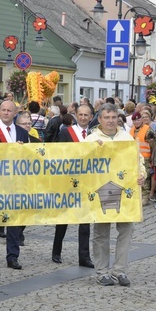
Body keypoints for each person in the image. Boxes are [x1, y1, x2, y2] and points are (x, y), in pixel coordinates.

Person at [85, 103, 146, 287]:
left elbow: (138, 159)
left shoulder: (126, 137)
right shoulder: (91, 139)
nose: (110, 121)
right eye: (106, 117)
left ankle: (120, 270)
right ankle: (102, 271)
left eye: (113, 117)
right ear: (100, 119)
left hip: (125, 192)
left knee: (126, 232)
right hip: (101, 192)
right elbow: (81, 164)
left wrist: (142, 174)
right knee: (101, 234)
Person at [0, 100, 30, 269]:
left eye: (9, 110)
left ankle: (12, 255)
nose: (5, 113)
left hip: (15, 182)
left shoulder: (22, 133)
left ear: (15, 112)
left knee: (14, 220)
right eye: (3, 110)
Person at [51, 104, 94, 267]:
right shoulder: (66, 132)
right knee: (63, 218)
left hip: (87, 182)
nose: (83, 117)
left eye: (86, 115)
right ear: (75, 115)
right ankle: (56, 251)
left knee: (85, 221)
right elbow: (60, 156)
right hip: (68, 181)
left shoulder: (94, 134)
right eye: (80, 114)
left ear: (91, 117)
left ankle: (84, 256)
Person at [130, 109, 155, 206]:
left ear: (141, 120)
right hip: (133, 158)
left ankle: (145, 197)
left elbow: (153, 145)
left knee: (145, 177)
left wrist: (152, 158)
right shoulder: (131, 130)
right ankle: (138, 196)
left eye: (138, 120)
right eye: (134, 120)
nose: (136, 122)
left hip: (145, 158)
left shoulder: (148, 130)